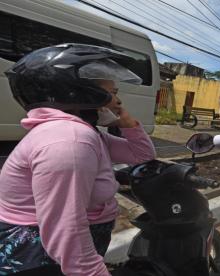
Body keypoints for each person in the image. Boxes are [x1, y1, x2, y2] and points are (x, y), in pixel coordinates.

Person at [0, 44, 156, 275]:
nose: (118, 101)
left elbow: (142, 156)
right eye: (112, 93)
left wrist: (130, 125)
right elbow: (64, 227)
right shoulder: (70, 140)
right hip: (40, 257)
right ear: (78, 92)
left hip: (57, 251)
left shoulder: (89, 134)